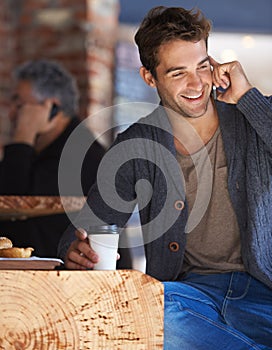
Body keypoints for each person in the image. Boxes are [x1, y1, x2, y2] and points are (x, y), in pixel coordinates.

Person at [58, 6, 272, 349]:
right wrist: (74, 249)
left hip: (263, 292)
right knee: (144, 309)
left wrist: (249, 98)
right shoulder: (135, 145)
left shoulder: (252, 118)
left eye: (202, 66)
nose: (196, 83)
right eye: (178, 73)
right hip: (188, 295)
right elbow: (85, 227)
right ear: (149, 77)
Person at [0, 59, 106, 258]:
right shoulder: (43, 151)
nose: (12, 112)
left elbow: (13, 202)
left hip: (76, 283)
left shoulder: (79, 154)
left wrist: (23, 136)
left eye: (19, 103)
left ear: (52, 108)